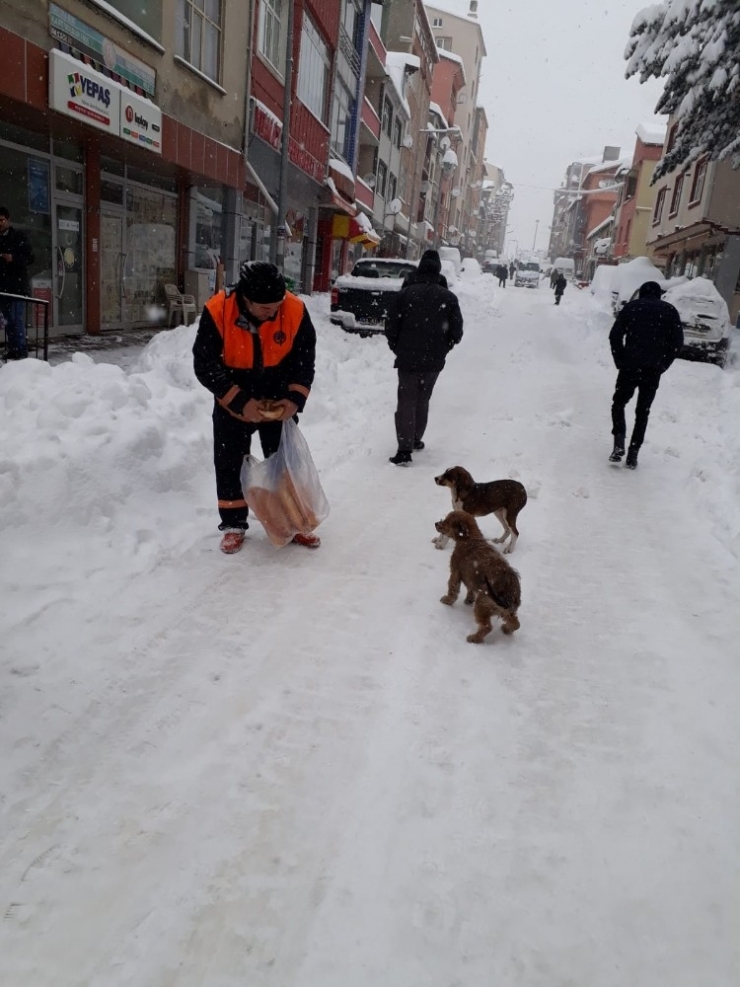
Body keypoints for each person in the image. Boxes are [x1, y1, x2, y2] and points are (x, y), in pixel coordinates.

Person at [192, 261, 318, 553]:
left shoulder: (295, 310)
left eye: (277, 304)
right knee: (229, 461)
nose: (272, 312)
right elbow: (205, 364)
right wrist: (237, 400)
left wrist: (294, 399)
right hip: (233, 393)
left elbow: (304, 359)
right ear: (244, 299)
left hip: (278, 392)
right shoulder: (218, 310)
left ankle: (295, 520)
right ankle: (234, 523)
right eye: (264, 307)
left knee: (285, 461)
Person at [385, 249, 464, 466]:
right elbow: (457, 332)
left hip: (407, 358)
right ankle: (416, 438)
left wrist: (397, 347)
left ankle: (404, 449)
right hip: (434, 361)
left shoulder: (405, 294)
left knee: (407, 400)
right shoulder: (448, 298)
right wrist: (444, 347)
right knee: (422, 398)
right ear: (439, 269)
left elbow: (391, 326)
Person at [608, 281, 684, 470]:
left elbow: (615, 335)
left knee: (619, 403)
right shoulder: (669, 311)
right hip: (653, 369)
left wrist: (621, 360)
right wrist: (663, 364)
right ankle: (633, 453)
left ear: (642, 293)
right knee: (643, 411)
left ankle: (619, 442)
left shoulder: (632, 308)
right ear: (659, 294)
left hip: (630, 366)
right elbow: (677, 342)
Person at [0, 206, 34, 360]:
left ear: (8, 220)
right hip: (3, 287)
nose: (0, 223)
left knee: (16, 319)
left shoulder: (18, 236)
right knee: (7, 320)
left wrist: (13, 258)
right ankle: (13, 349)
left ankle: (21, 351)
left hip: (17, 286)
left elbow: (30, 257)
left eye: (1, 220)